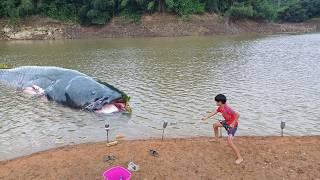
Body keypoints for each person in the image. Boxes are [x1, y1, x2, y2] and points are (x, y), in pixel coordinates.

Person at [201, 94, 243, 164]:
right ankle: (216, 139)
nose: (216, 103)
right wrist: (206, 117)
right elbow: (214, 112)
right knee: (215, 125)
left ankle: (240, 158)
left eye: (216, 102)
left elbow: (237, 115)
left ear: (220, 102)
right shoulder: (220, 107)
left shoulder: (228, 108)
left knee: (229, 141)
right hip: (227, 122)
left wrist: (233, 123)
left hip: (232, 126)